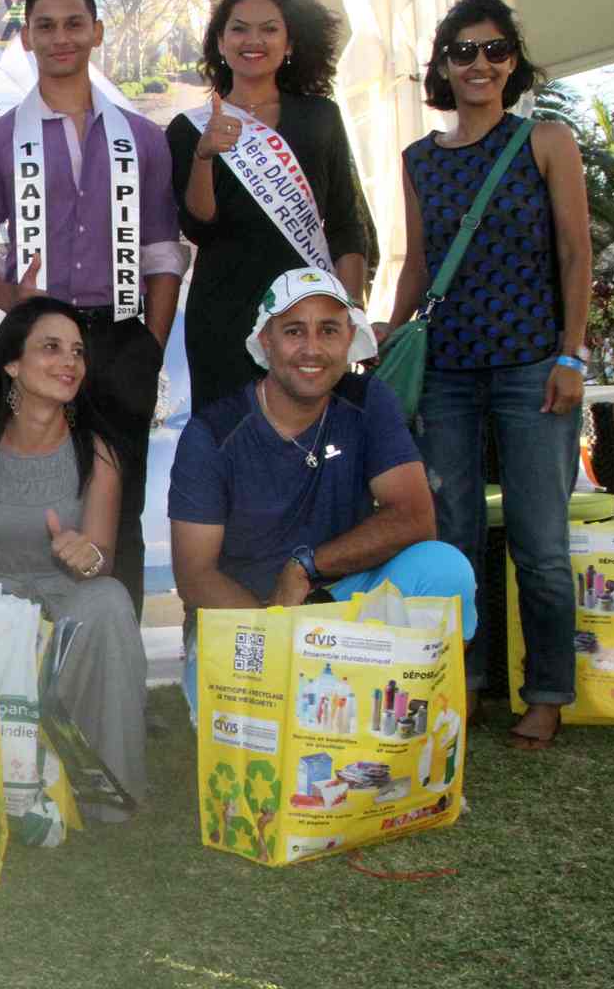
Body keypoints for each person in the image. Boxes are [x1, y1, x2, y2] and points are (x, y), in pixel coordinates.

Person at [381, 0, 590, 750]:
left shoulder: (545, 141)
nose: (479, 63)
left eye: (495, 49)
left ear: (513, 62)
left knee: (539, 541)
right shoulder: (417, 162)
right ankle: (459, 683)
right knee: (452, 539)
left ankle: (548, 691)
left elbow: (575, 254)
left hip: (533, 368)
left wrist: (572, 353)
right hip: (446, 374)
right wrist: (390, 334)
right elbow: (418, 265)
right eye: (463, 51)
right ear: (442, 65)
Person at [0, 0, 187, 613]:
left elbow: (164, 251)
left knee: (123, 507)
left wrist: (151, 341)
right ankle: (30, 658)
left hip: (119, 339)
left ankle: (117, 655)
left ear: (97, 32)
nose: (61, 38)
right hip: (37, 340)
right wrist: (7, 298)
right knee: (31, 503)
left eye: (73, 24)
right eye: (46, 26)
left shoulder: (141, 138)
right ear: (26, 37)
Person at [169, 268, 478, 717]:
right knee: (261, 756)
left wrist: (305, 567)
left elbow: (414, 516)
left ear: (348, 339)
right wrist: (277, 632)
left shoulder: (368, 400)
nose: (312, 348)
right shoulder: (213, 432)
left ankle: (417, 710)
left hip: (339, 601)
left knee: (444, 569)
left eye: (328, 330)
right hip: (247, 620)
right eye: (294, 331)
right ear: (266, 341)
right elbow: (195, 576)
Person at [0, 297, 149, 811]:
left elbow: (102, 564)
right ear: (11, 363)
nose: (69, 362)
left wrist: (84, 557)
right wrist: (12, 624)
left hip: (66, 617)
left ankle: (107, 788)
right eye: (50, 348)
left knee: (109, 599)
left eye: (77, 351)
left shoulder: (98, 453)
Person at [166, 0, 371, 411]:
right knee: (230, 446)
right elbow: (199, 226)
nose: (252, 40)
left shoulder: (320, 118)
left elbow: (346, 223)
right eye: (238, 29)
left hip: (307, 312)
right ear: (220, 43)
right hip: (224, 314)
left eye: (269, 29)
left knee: (310, 448)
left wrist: (351, 312)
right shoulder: (189, 129)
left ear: (290, 43)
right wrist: (204, 156)